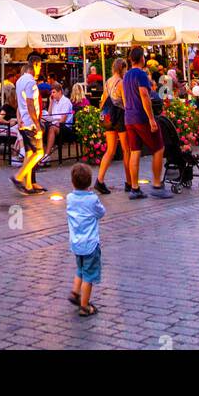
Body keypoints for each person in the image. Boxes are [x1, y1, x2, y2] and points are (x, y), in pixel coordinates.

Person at [123, 46, 172, 200]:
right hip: (141, 117)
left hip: (129, 117)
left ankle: (135, 188)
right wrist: (151, 119)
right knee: (158, 147)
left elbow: (124, 97)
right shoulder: (141, 74)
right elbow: (145, 95)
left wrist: (128, 110)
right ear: (142, 59)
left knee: (135, 151)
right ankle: (157, 185)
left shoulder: (126, 76)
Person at [66, 162, 105, 318]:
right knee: (89, 275)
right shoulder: (92, 199)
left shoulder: (69, 198)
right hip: (90, 243)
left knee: (80, 269)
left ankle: (75, 292)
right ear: (89, 183)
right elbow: (101, 212)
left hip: (76, 243)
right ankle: (84, 306)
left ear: (72, 182)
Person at [95, 57, 133, 195]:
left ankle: (99, 180)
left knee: (110, 150)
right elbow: (126, 103)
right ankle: (129, 182)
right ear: (122, 68)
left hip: (108, 118)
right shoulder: (121, 83)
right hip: (120, 118)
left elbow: (103, 101)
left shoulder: (107, 82)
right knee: (126, 150)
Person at [13, 59, 45, 195]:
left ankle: (28, 185)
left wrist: (19, 118)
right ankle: (18, 177)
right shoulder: (31, 82)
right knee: (39, 152)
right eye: (40, 67)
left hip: (24, 122)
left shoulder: (19, 81)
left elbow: (19, 102)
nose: (40, 70)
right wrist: (37, 125)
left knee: (29, 153)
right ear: (35, 66)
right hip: (30, 123)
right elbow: (30, 104)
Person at [40, 83, 74, 163]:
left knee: (52, 128)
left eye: (54, 92)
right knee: (40, 127)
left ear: (60, 92)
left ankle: (47, 155)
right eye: (51, 92)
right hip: (54, 124)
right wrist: (51, 102)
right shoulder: (54, 101)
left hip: (66, 127)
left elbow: (63, 120)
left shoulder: (66, 101)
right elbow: (49, 114)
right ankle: (40, 154)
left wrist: (52, 122)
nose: (52, 94)